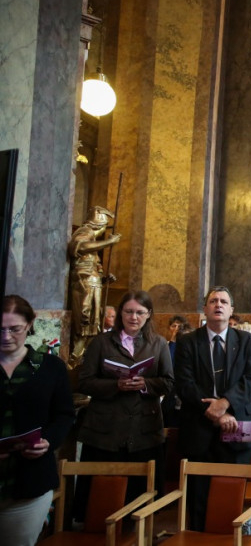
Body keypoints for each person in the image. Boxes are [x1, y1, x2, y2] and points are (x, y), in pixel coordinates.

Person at [76, 290, 174, 518]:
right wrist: (116, 385)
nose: (134, 317)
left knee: (139, 494)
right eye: (129, 311)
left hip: (143, 428)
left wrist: (145, 383)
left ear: (148, 314)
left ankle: (136, 530)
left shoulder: (158, 343)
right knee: (101, 496)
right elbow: (85, 382)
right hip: (106, 428)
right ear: (120, 313)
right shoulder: (101, 342)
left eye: (140, 312)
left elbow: (169, 382)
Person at [173, 286, 251, 531]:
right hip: (199, 426)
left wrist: (225, 404)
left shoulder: (246, 341)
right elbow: (184, 384)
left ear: (231, 310)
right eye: (213, 301)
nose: (218, 305)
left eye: (223, 301)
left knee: (233, 490)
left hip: (237, 423)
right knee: (199, 495)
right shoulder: (188, 342)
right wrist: (215, 414)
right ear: (205, 308)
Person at [0, 295, 75, 546]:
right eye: (1, 329)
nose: (6, 336)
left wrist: (48, 441)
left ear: (30, 324)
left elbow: (64, 414)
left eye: (14, 329)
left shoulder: (51, 367)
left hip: (30, 481)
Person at [68, 206, 121, 365]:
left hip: (93, 284)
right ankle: (75, 359)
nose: (103, 230)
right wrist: (109, 242)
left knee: (94, 322)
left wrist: (104, 280)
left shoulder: (93, 239)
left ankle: (85, 358)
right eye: (104, 226)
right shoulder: (86, 231)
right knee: (84, 321)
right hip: (84, 283)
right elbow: (79, 247)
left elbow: (95, 266)